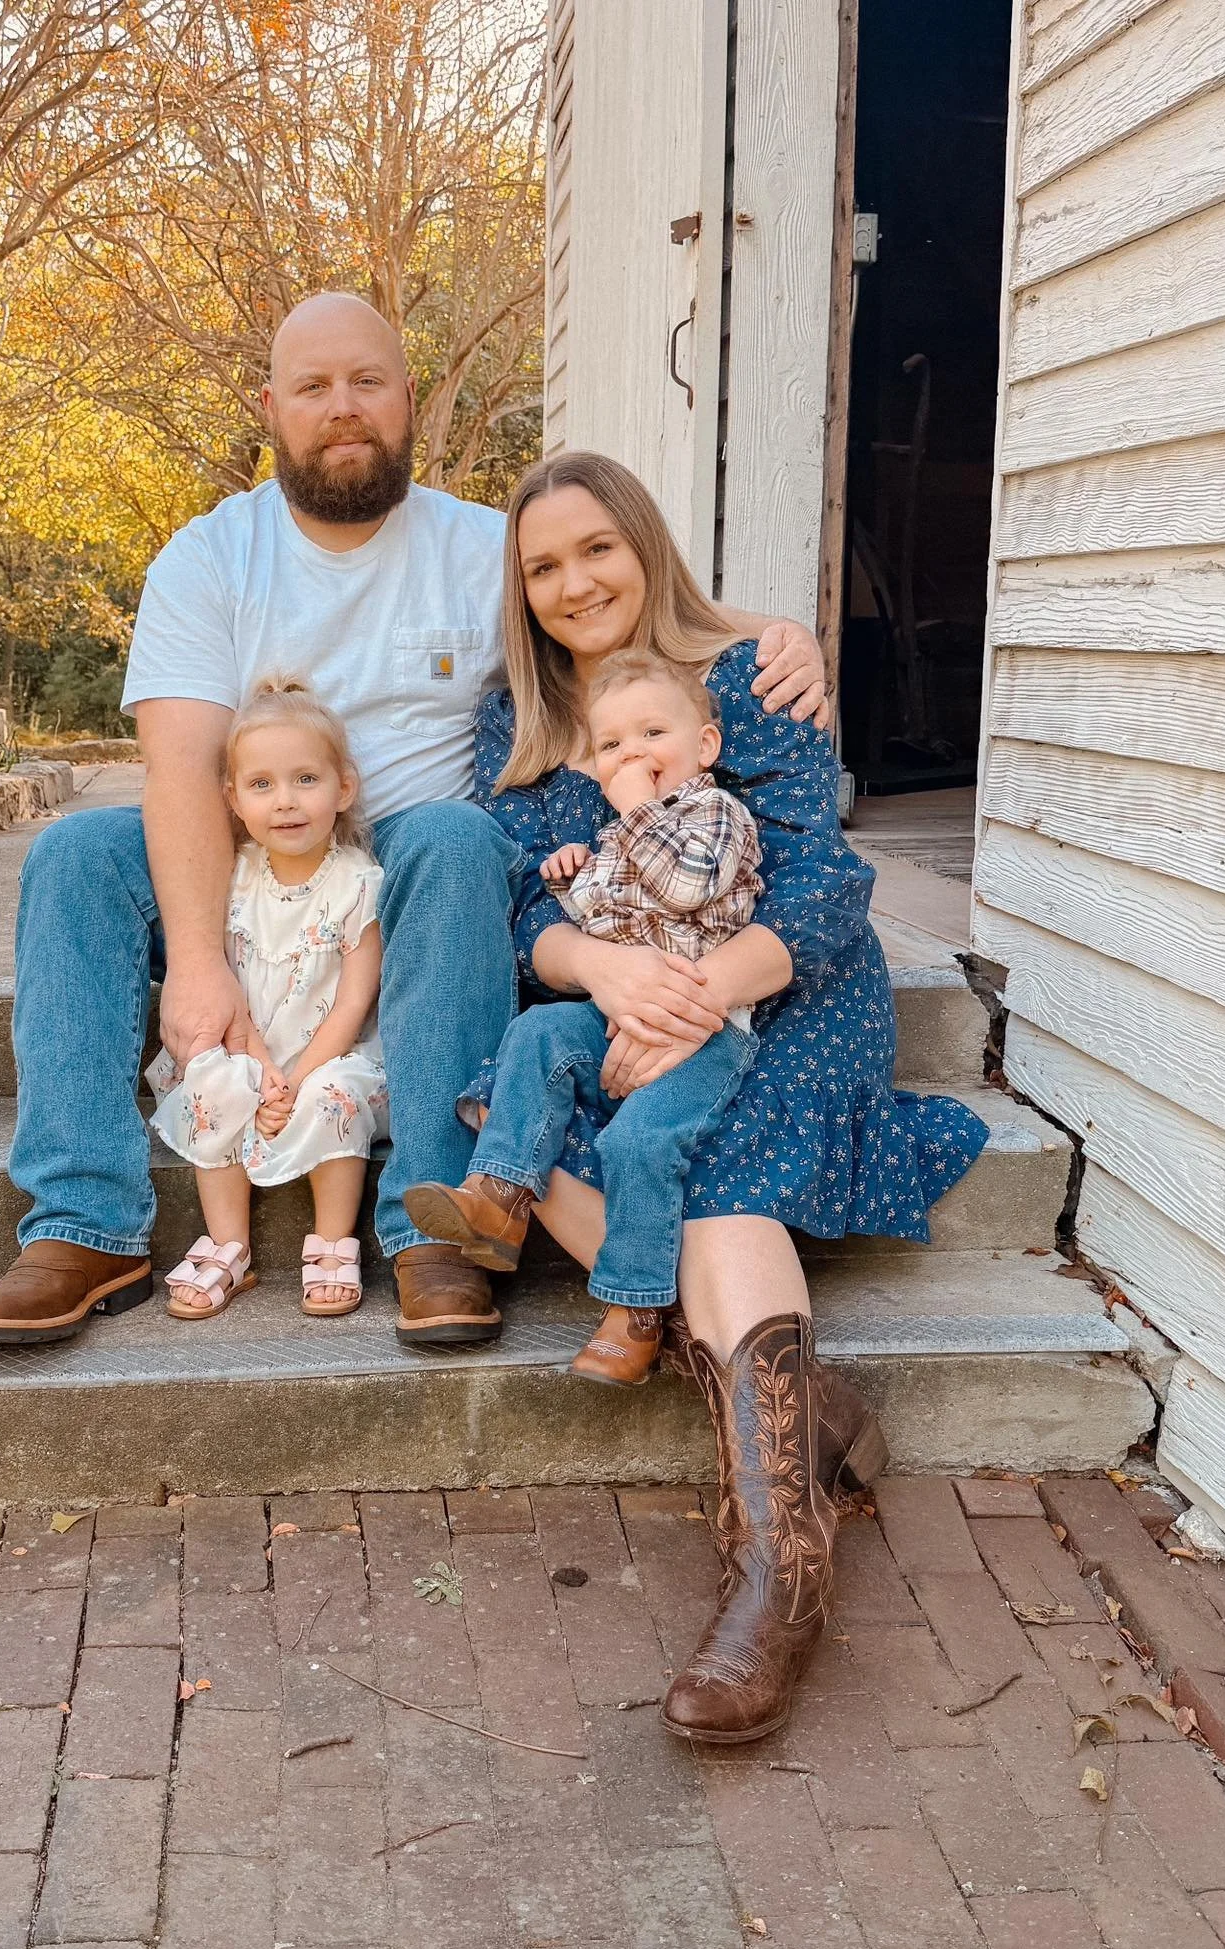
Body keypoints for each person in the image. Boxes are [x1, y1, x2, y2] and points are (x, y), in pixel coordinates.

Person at [0, 291, 828, 1347]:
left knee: (463, 839)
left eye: (368, 381)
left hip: (409, 862)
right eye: (314, 388)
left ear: (409, 399)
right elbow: (180, 768)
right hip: (244, 854)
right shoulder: (207, 558)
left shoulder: (481, 547)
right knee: (75, 854)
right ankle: (84, 1222)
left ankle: (432, 1228)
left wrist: (775, 632)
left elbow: (607, 596)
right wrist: (195, 958)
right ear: (269, 408)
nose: (343, 407)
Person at [474, 449, 990, 1745]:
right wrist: (605, 971)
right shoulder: (517, 719)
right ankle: (802, 1412)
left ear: (645, 545)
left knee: (717, 1183)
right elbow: (531, 902)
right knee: (504, 1114)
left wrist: (694, 993)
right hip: (616, 989)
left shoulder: (752, 672)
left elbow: (820, 884)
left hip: (786, 988)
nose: (573, 580)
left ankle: (779, 1570)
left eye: (596, 546)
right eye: (543, 564)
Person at [401, 649, 765, 1388]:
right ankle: (499, 1197)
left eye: (652, 734)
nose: (632, 754)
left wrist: (633, 811)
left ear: (705, 747)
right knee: (535, 1033)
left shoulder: (717, 814)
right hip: (615, 1013)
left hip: (705, 1035)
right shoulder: (617, 834)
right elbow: (599, 917)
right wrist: (575, 871)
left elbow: (689, 886)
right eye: (611, 746)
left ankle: (633, 1312)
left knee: (639, 1141)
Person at [148, 675, 384, 1318]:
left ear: (344, 787)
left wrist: (293, 1080)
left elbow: (353, 1005)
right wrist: (259, 1069)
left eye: (306, 779)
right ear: (232, 798)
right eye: (262, 785)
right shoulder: (234, 876)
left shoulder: (357, 882)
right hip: (250, 1042)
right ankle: (230, 1245)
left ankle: (334, 1240)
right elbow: (229, 985)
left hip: (329, 1050)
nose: (285, 802)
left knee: (332, 1094)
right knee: (214, 1086)